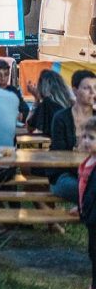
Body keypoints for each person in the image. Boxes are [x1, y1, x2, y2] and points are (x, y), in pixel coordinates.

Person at [49, 70, 96, 204]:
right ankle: (85, 210)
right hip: (65, 175)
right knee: (88, 189)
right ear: (75, 91)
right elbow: (60, 152)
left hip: (93, 173)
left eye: (95, 88)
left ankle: (84, 210)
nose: (93, 92)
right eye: (87, 88)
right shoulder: (61, 117)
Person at [75, 117, 96, 289]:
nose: (86, 141)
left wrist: (86, 210)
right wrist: (80, 206)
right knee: (92, 251)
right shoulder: (89, 160)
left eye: (92, 137)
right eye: (84, 137)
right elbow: (84, 191)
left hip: (94, 216)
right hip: (89, 213)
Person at [27, 69, 73, 136]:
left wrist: (36, 98)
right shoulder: (71, 102)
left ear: (42, 87)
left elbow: (29, 127)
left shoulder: (46, 103)